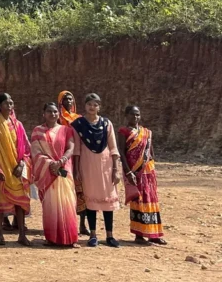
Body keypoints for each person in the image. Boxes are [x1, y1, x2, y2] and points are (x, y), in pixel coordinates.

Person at [71, 93, 122, 248]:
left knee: (107, 199)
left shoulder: (107, 124)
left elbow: (113, 147)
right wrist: (77, 169)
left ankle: (110, 235)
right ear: (84, 106)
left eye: (95, 104)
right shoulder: (78, 125)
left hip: (106, 166)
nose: (92, 107)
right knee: (90, 200)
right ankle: (93, 235)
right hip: (87, 165)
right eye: (89, 104)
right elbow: (77, 149)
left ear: (99, 107)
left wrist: (116, 169)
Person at [0, 93, 32, 246]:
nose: (10, 106)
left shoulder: (18, 125)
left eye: (11, 103)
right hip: (1, 169)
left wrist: (22, 164)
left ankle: (22, 235)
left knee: (20, 201)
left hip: (16, 169)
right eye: (6, 103)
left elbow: (26, 148)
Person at [30, 103, 79, 248]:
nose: (52, 114)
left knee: (68, 203)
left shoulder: (66, 130)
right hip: (48, 172)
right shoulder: (37, 131)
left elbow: (71, 148)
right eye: (49, 112)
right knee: (50, 205)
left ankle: (70, 238)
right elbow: (35, 152)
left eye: (55, 112)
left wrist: (61, 161)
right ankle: (52, 238)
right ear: (43, 114)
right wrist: (50, 164)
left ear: (59, 114)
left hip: (64, 171)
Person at [118, 105, 166, 245]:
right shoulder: (123, 131)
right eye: (132, 115)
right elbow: (121, 152)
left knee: (151, 200)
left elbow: (150, 152)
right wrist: (128, 172)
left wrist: (151, 169)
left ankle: (153, 234)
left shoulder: (146, 132)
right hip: (134, 171)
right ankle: (139, 235)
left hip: (147, 172)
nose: (136, 117)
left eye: (138, 114)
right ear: (126, 115)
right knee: (139, 201)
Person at [57, 90, 88, 234]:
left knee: (82, 191)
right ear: (60, 102)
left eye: (70, 99)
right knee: (65, 191)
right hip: (63, 157)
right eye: (65, 99)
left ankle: (82, 224)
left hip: (80, 157)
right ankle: (66, 222)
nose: (68, 102)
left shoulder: (79, 119)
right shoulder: (57, 118)